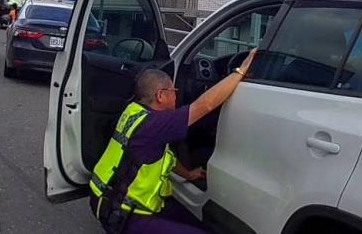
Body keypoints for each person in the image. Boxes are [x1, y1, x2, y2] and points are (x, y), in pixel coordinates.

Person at [90, 49, 258, 234]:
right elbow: (205, 105)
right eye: (173, 91)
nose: (176, 96)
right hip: (123, 214)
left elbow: (158, 156)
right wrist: (241, 71)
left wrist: (188, 174)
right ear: (161, 95)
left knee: (193, 220)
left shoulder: (134, 112)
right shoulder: (156, 124)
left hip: (105, 198)